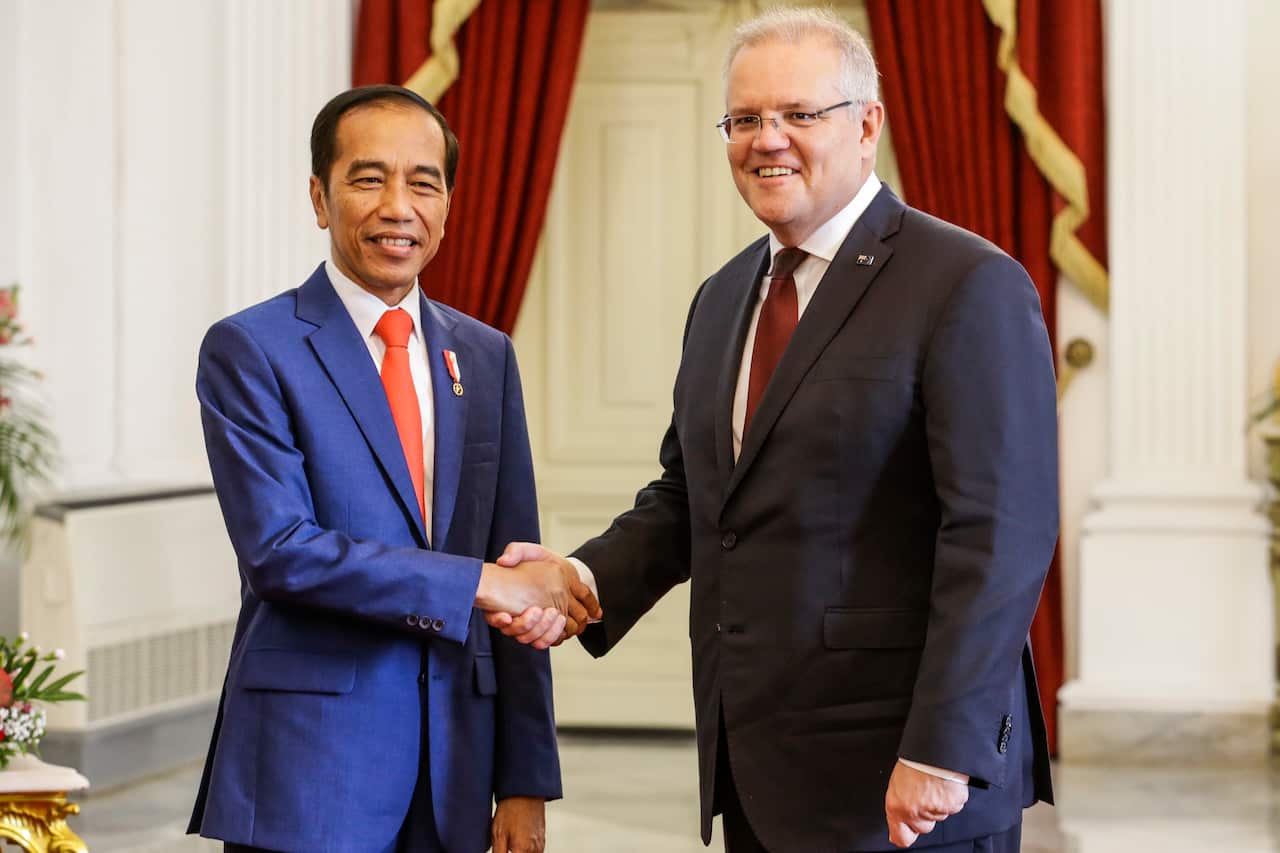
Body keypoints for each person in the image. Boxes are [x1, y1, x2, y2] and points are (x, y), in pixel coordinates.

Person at [492, 8, 1057, 852]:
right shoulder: (723, 299)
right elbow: (695, 499)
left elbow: (1000, 535)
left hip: (907, 783)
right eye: (745, 119)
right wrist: (577, 577)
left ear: (867, 126)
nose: (768, 140)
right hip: (757, 765)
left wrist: (945, 747)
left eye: (799, 114)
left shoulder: (968, 284)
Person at [188, 85, 599, 853]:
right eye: (368, 178)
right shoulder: (252, 349)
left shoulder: (484, 355)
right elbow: (283, 553)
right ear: (320, 196)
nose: (398, 206)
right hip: (310, 773)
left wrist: (525, 779)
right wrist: (479, 583)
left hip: (456, 776)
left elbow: (517, 555)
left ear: (447, 204)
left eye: (423, 181)